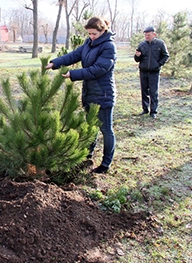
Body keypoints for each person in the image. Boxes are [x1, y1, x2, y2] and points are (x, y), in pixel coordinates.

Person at [46, 16, 116, 174]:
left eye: (94, 34)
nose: (91, 36)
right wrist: (55, 63)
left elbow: (97, 69)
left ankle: (105, 164)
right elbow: (73, 55)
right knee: (91, 126)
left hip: (103, 94)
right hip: (89, 92)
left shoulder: (109, 47)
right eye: (89, 33)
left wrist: (73, 74)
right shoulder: (88, 44)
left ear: (102, 30)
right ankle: (87, 156)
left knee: (106, 129)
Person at [134, 26, 169, 119]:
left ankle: (153, 111)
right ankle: (145, 109)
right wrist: (137, 56)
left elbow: (165, 56)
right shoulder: (142, 45)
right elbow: (137, 59)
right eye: (145, 35)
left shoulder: (160, 44)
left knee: (154, 92)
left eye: (148, 35)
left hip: (154, 72)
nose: (146, 37)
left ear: (154, 34)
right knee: (144, 91)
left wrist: (158, 64)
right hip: (143, 71)